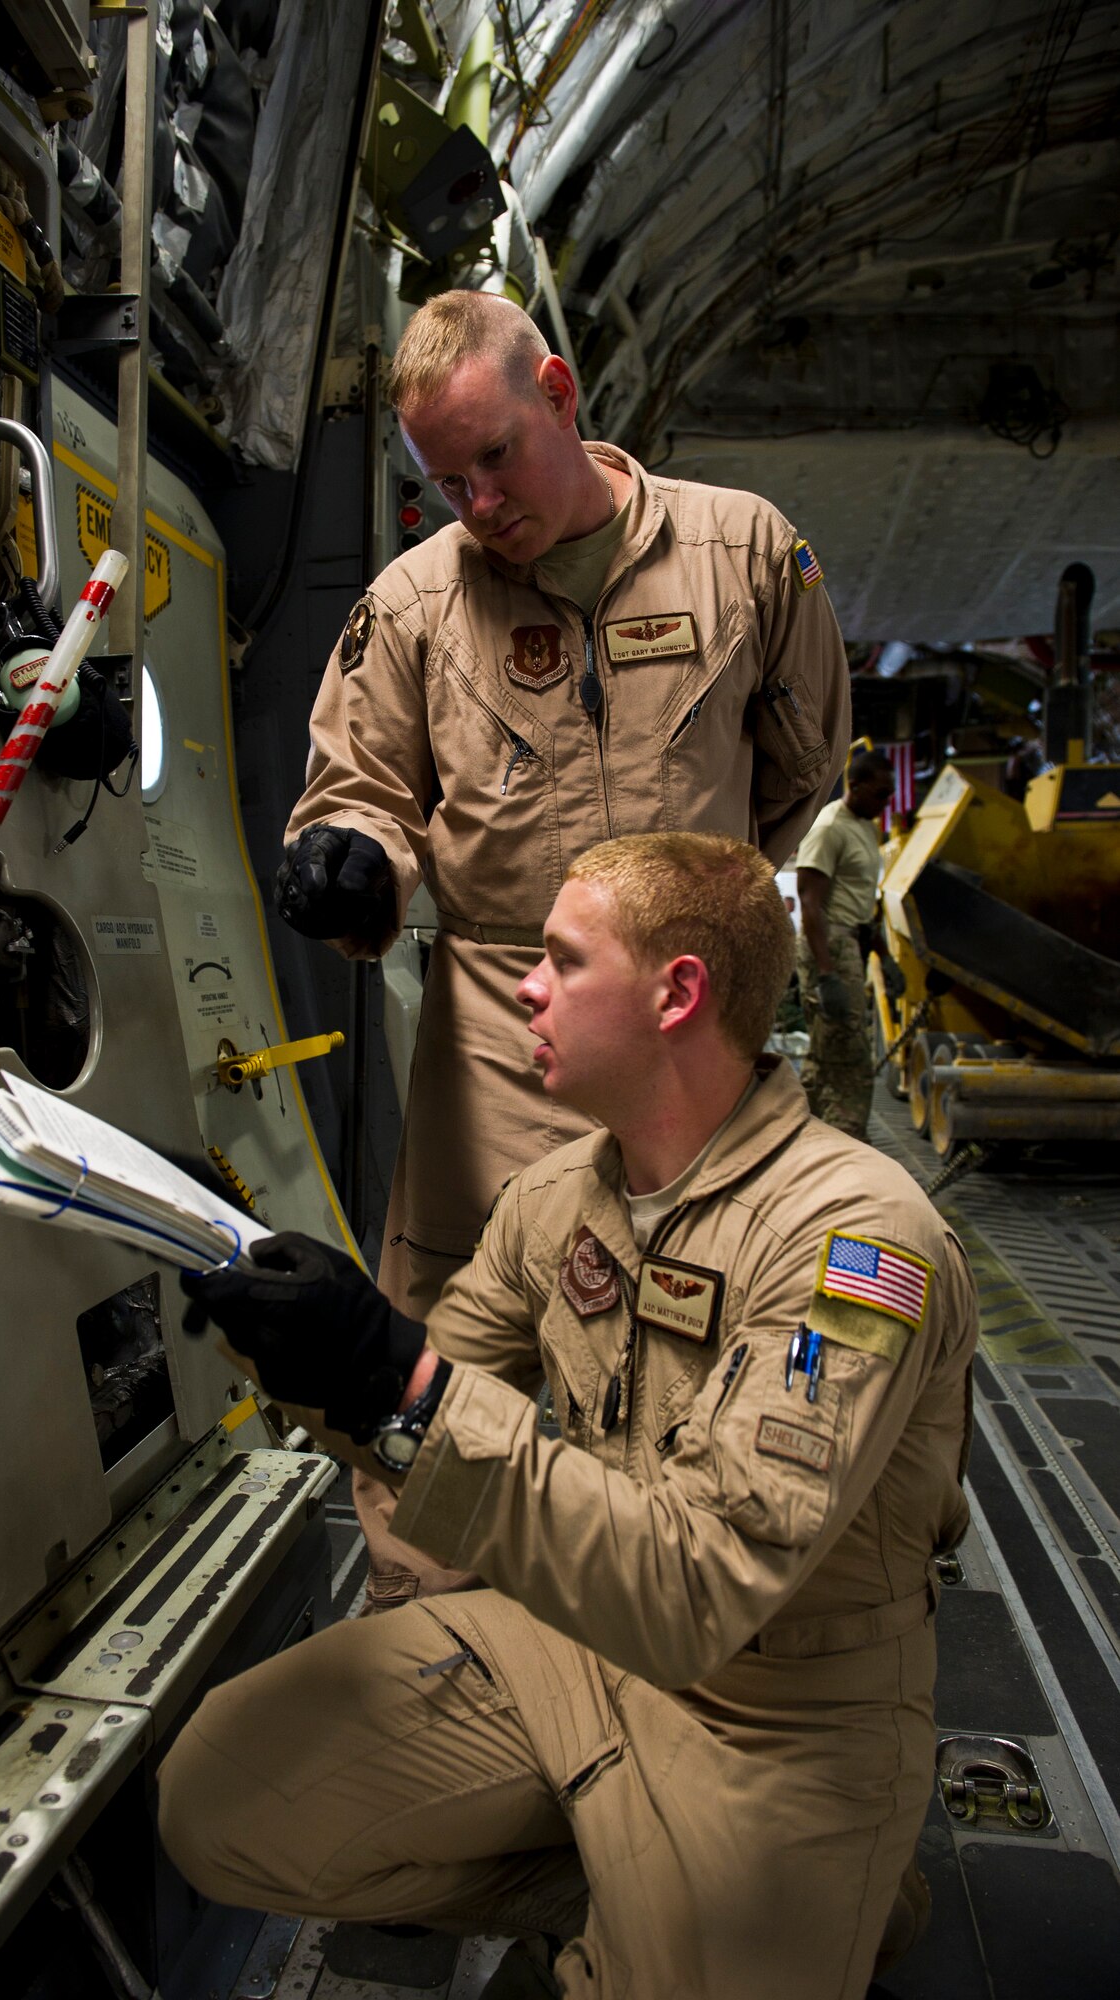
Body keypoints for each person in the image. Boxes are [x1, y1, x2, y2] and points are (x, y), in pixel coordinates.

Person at [160, 831, 978, 2000]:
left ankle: (830, 1889)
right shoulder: (557, 1198)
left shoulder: (851, 1239)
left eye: (559, 958)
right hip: (579, 1637)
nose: (525, 985)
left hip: (774, 1706)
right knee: (219, 1797)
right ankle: (616, 1884)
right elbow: (417, 1402)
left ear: (675, 993)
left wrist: (401, 1385)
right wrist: (310, 1355)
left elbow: (702, 1581)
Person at [272, 289, 851, 1607]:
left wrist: (687, 923)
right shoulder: (414, 608)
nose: (478, 503)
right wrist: (359, 862)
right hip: (495, 1033)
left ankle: (667, 1635)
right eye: (443, 480)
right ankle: (439, 1644)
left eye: (494, 457)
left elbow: (795, 765)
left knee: (692, 1332)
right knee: (451, 1350)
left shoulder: (740, 555)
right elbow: (357, 785)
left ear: (556, 392)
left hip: (680, 1036)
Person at [795, 749, 895, 1139]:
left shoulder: (866, 827)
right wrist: (826, 973)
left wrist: (883, 957)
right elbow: (809, 902)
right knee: (850, 1051)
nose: (885, 803)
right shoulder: (829, 827)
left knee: (827, 1049)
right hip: (830, 942)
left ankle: (809, 1135)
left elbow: (862, 897)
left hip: (852, 938)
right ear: (855, 786)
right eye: (880, 794)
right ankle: (849, 1135)